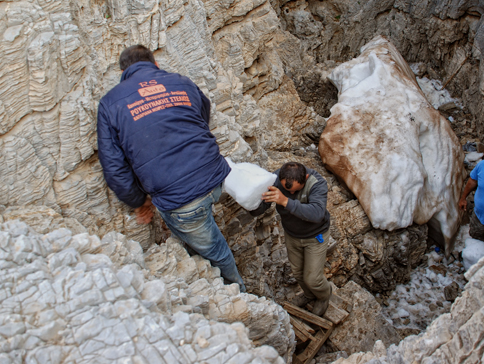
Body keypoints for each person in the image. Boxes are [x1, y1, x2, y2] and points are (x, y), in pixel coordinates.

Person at [97, 44, 246, 292]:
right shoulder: (181, 82)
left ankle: (239, 295)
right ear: (155, 64)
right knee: (200, 227)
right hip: (217, 174)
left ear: (123, 72)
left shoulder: (110, 103)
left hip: (182, 198)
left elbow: (114, 167)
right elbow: (202, 113)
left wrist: (139, 202)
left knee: (216, 251)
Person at [250, 162, 332, 316]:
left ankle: (323, 296)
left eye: (296, 190)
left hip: (315, 236)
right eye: (288, 191)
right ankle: (309, 295)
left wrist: (285, 201)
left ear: (305, 178)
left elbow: (317, 213)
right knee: (298, 273)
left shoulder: (317, 183)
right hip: (292, 235)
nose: (292, 193)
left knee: (313, 278)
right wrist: (249, 202)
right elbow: (260, 209)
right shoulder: (276, 178)